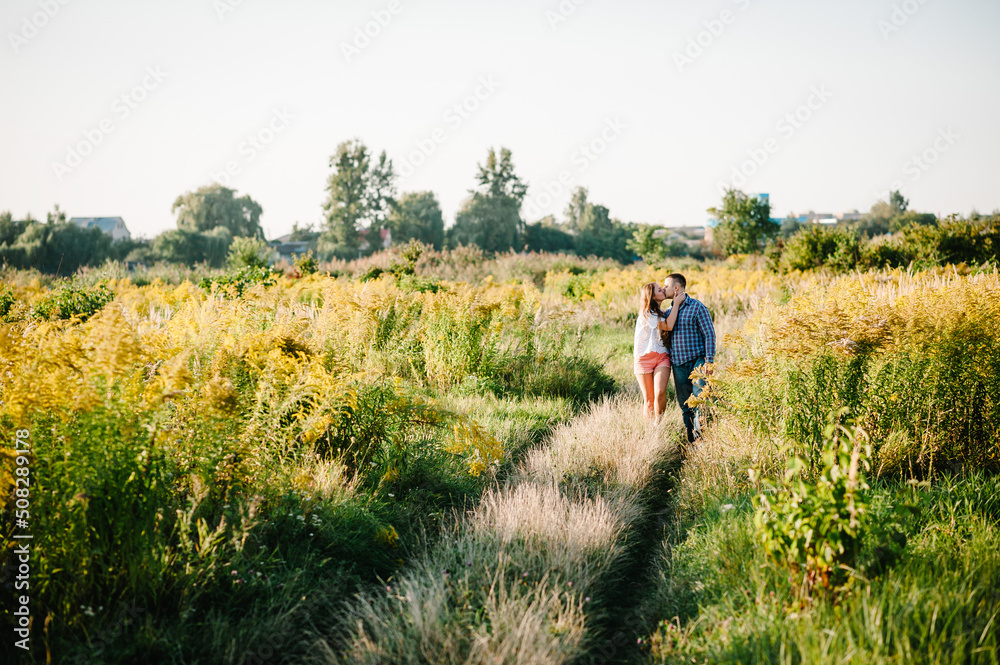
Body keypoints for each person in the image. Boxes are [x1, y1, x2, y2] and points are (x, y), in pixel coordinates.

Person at [662, 273, 716, 442]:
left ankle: (702, 443)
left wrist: (709, 360)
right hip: (678, 364)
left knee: (700, 402)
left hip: (697, 361)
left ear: (676, 288)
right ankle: (691, 443)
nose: (664, 289)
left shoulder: (697, 307)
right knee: (686, 406)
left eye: (666, 286)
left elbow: (709, 334)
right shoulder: (669, 311)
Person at [633, 282, 680, 420]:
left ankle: (658, 423)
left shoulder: (663, 312)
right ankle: (650, 431)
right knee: (649, 399)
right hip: (643, 359)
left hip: (662, 357)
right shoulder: (647, 313)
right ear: (653, 296)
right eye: (660, 290)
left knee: (660, 392)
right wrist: (676, 303)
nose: (664, 290)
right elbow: (668, 326)